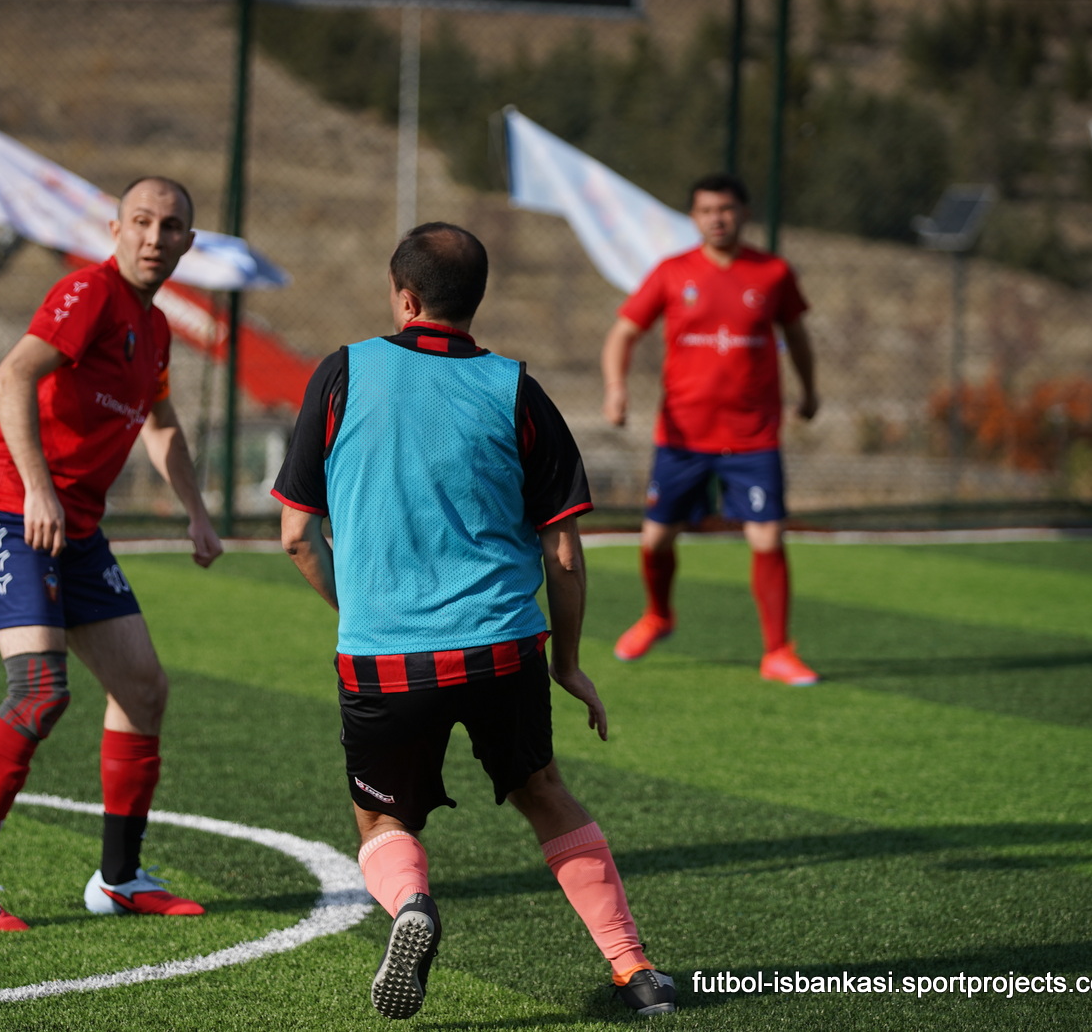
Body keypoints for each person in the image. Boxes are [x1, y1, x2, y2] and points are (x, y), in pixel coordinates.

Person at [273, 223, 677, 1020]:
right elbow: (564, 553)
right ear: (476, 300)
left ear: (405, 297)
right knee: (544, 791)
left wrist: (363, 611)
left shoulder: (341, 372)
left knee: (381, 817)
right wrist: (567, 663)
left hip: (384, 661)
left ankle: (412, 905)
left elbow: (295, 535)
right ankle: (635, 969)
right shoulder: (516, 388)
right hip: (501, 649)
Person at [0, 176, 223, 931]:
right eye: (141, 221)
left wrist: (196, 511)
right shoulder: (88, 291)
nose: (155, 236)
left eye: (171, 226)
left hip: (74, 526)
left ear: (187, 243)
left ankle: (119, 879)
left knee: (143, 688)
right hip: (8, 504)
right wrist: (37, 488)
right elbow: (11, 375)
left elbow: (161, 424)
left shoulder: (154, 329)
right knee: (39, 690)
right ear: (115, 230)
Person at [601, 172, 820, 685]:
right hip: (683, 436)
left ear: (744, 213)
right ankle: (658, 615)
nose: (716, 218)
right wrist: (616, 388)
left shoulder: (772, 272)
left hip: (752, 435)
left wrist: (810, 391)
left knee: (767, 536)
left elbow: (798, 336)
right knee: (656, 538)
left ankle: (777, 652)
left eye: (726, 209)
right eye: (706, 210)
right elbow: (622, 334)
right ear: (693, 217)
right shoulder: (672, 272)